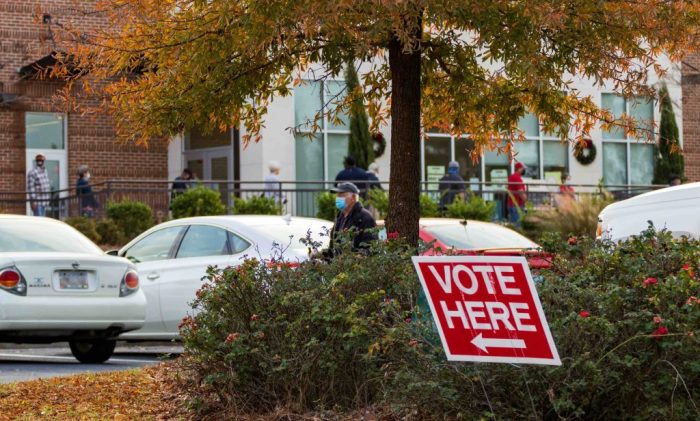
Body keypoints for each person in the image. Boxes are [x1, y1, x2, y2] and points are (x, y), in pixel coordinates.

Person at [325, 182, 377, 257]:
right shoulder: (340, 216)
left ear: (353, 197)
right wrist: (321, 255)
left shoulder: (365, 217)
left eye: (341, 195)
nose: (338, 198)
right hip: (339, 266)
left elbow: (371, 247)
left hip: (355, 266)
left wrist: (356, 259)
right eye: (337, 195)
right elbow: (334, 247)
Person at [507, 162, 528, 227]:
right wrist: (526, 201)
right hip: (517, 205)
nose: (524, 170)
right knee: (518, 226)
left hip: (511, 204)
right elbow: (520, 192)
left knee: (513, 226)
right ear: (518, 169)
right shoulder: (517, 178)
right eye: (523, 168)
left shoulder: (511, 177)